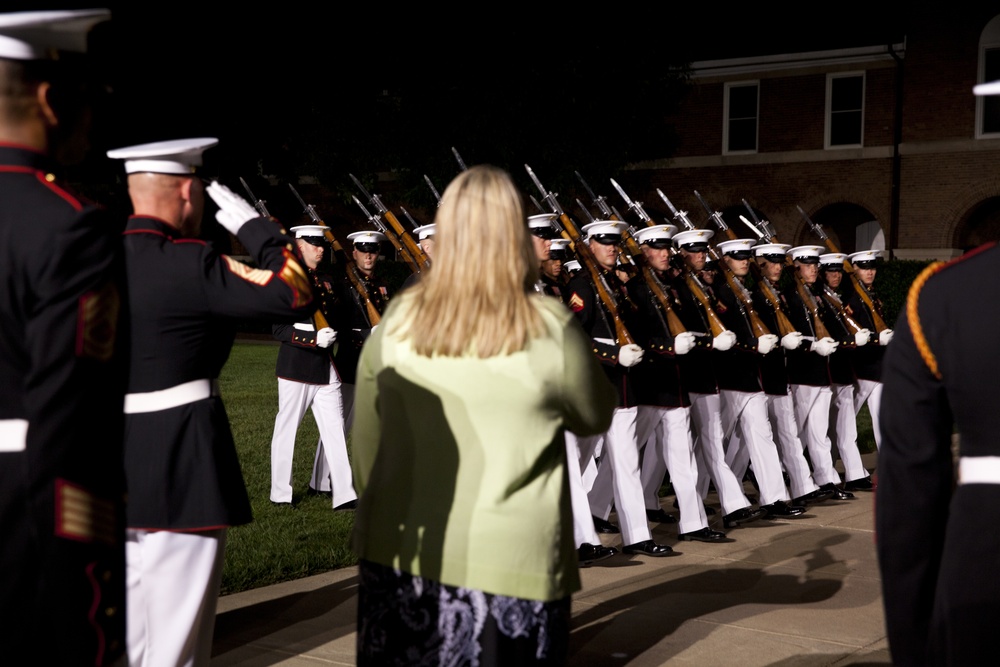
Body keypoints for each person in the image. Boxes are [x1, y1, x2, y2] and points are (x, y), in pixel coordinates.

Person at [350, 165, 617, 664]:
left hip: (403, 544)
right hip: (508, 550)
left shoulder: (398, 320)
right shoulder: (546, 323)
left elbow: (366, 439)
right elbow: (594, 414)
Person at [108, 138, 315, 666]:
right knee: (177, 642)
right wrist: (257, 230)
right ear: (186, 191)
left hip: (104, 458)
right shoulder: (191, 262)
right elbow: (292, 290)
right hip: (184, 458)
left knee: (125, 637)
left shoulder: (89, 258)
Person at [0, 10, 126, 665]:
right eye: (87, 100)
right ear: (50, 99)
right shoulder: (69, 227)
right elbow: (68, 434)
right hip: (23, 523)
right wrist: (89, 609)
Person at [567, 220, 677, 557]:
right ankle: (574, 537)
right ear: (589, 246)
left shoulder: (618, 285)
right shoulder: (582, 286)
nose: (613, 248)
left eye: (615, 243)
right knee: (575, 466)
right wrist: (612, 354)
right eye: (604, 243)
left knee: (627, 462)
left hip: (623, 390)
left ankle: (637, 535)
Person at [270, 225, 358, 511]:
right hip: (296, 367)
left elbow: (337, 317)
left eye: (322, 245)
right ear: (299, 245)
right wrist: (311, 337)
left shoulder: (326, 280)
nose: (320, 249)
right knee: (287, 431)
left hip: (324, 368)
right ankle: (280, 493)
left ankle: (344, 493)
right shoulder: (286, 280)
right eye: (313, 243)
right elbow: (278, 328)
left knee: (335, 429)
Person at [308, 230, 390, 504]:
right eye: (363, 249)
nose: (369, 255)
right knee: (338, 424)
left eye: (373, 250)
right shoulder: (342, 284)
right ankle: (320, 481)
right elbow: (335, 321)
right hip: (350, 359)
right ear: (353, 252)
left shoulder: (380, 284)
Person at [782, 245, 855, 500]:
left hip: (821, 372)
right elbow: (787, 336)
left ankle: (826, 479)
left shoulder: (816, 296)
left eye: (815, 265)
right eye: (807, 265)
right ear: (797, 269)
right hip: (802, 372)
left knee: (819, 432)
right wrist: (813, 345)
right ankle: (786, 475)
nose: (814, 269)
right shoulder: (789, 296)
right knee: (796, 432)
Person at [845, 250, 892, 452]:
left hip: (877, 365)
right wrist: (876, 338)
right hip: (860, 366)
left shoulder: (873, 295)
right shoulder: (850, 298)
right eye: (864, 268)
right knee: (846, 420)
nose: (869, 272)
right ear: (854, 270)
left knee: (883, 418)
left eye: (872, 268)